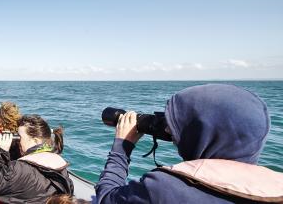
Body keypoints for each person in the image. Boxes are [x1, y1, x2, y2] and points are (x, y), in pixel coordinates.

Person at [96, 84, 283, 203]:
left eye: (175, 126)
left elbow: (106, 198)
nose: (168, 131)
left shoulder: (164, 188)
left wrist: (123, 145)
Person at [0, 115, 74, 203]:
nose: (18, 141)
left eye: (20, 137)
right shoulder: (60, 166)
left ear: (35, 140)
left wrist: (0, 152)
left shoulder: (21, 169)